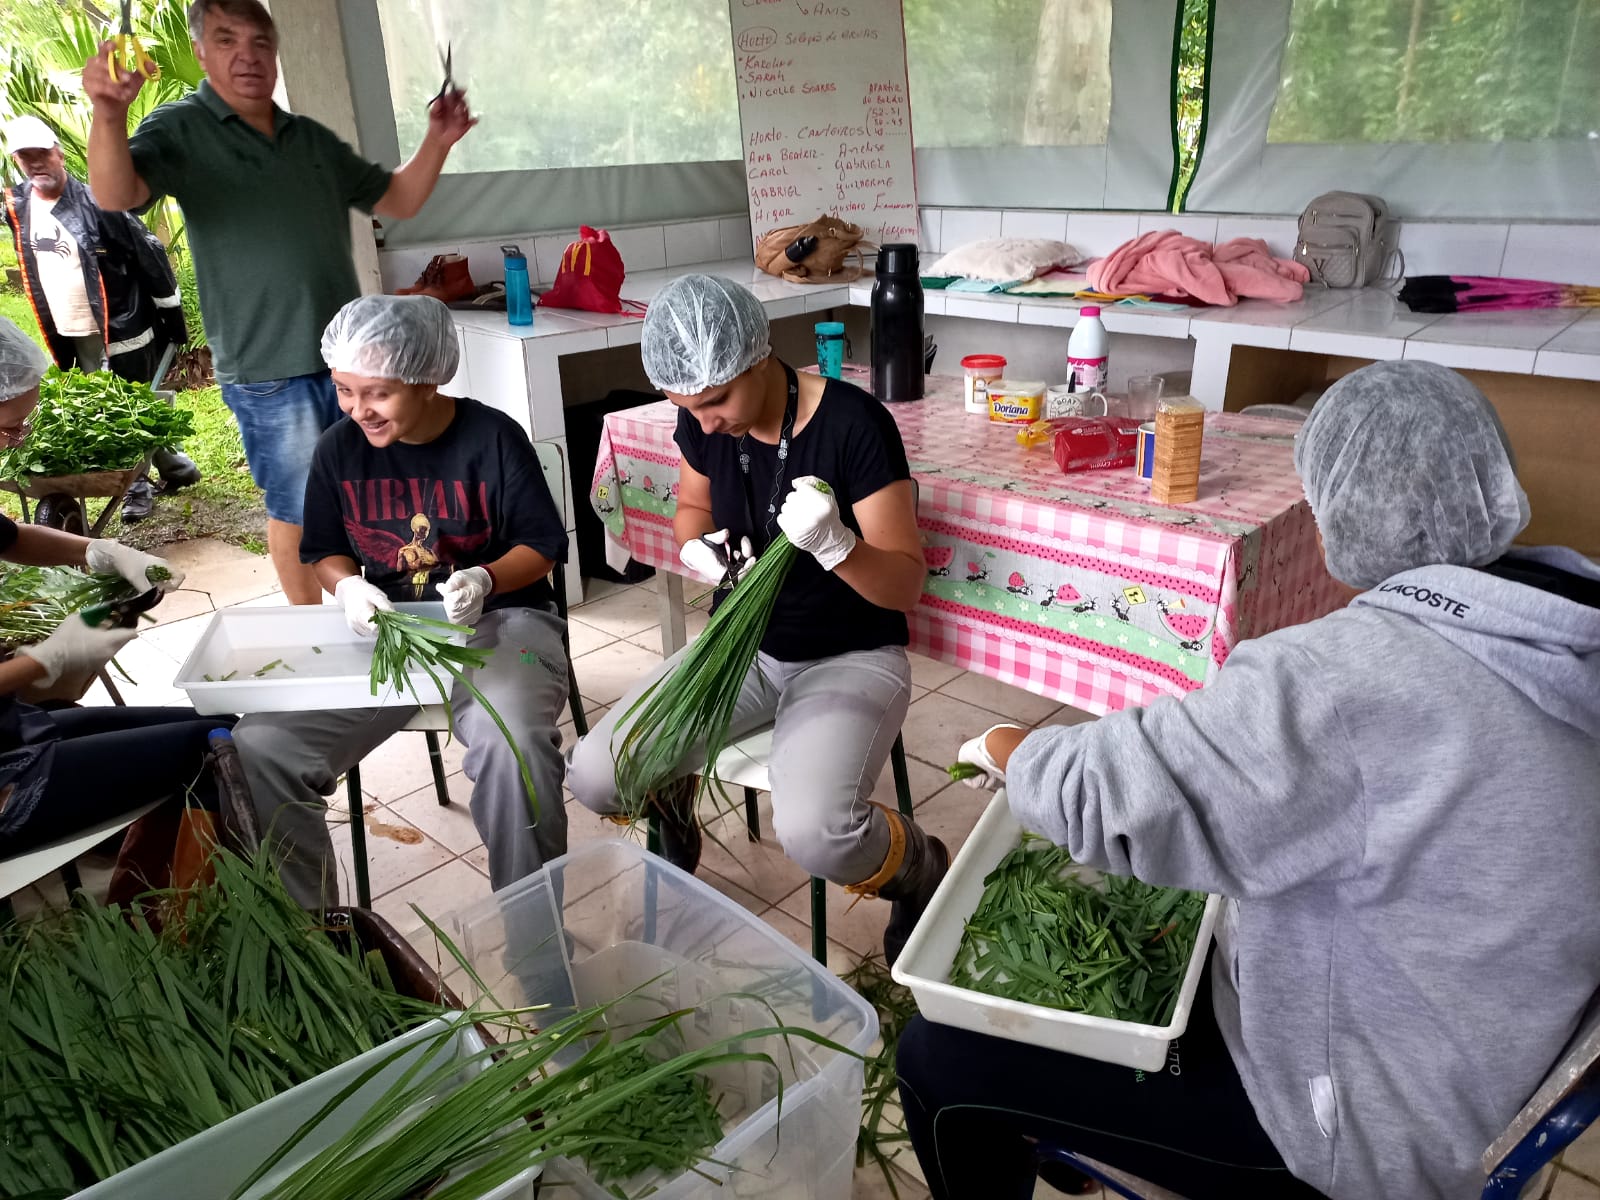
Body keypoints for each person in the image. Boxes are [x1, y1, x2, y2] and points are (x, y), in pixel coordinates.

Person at [901, 360, 1600, 1200]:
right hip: (1482, 1064)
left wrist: (1010, 746)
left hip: (1363, 1132)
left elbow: (1105, 795)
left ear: (1340, 512)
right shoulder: (1561, 620)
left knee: (936, 1058)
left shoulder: (1348, 680)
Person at [566, 274, 946, 966]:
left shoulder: (854, 425)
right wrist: (695, 546)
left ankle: (920, 870)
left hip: (850, 653)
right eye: (687, 406)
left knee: (816, 833)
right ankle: (673, 799)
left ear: (757, 357)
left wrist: (839, 546)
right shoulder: (702, 420)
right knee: (597, 772)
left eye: (715, 402)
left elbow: (905, 586)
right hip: (741, 646)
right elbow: (692, 508)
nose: (703, 421)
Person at [81, 0, 475, 604]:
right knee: (298, 509)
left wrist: (439, 140)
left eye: (260, 41)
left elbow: (397, 199)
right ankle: (312, 631)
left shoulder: (310, 139)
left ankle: (384, 613)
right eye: (227, 39)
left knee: (373, 497)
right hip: (269, 371)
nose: (248, 55)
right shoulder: (181, 129)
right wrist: (108, 112)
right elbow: (114, 195)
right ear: (202, 52)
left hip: (354, 366)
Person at [231, 295, 571, 908]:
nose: (359, 410)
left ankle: (535, 941)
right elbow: (325, 550)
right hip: (392, 630)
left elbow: (542, 546)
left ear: (428, 378)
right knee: (261, 746)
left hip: (503, 621)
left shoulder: (492, 437)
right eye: (344, 390)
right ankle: (317, 942)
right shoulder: (339, 448)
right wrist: (348, 586)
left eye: (377, 394)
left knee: (513, 745)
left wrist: (487, 578)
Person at [0, 317, 229, 868]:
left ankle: (142, 868)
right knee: (216, 753)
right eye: (8, 429)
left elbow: (11, 537)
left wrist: (100, 552)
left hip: (10, 730)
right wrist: (44, 660)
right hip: (5, 780)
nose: (18, 440)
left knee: (215, 729)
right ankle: (181, 920)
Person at [2, 115, 198, 522]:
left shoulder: (99, 202)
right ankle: (177, 467)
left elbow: (150, 254)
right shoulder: (17, 206)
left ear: (57, 152)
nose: (36, 163)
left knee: (128, 409)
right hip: (69, 331)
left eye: (42, 153)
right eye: (26, 157)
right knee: (120, 407)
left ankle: (136, 486)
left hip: (120, 327)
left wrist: (171, 314)